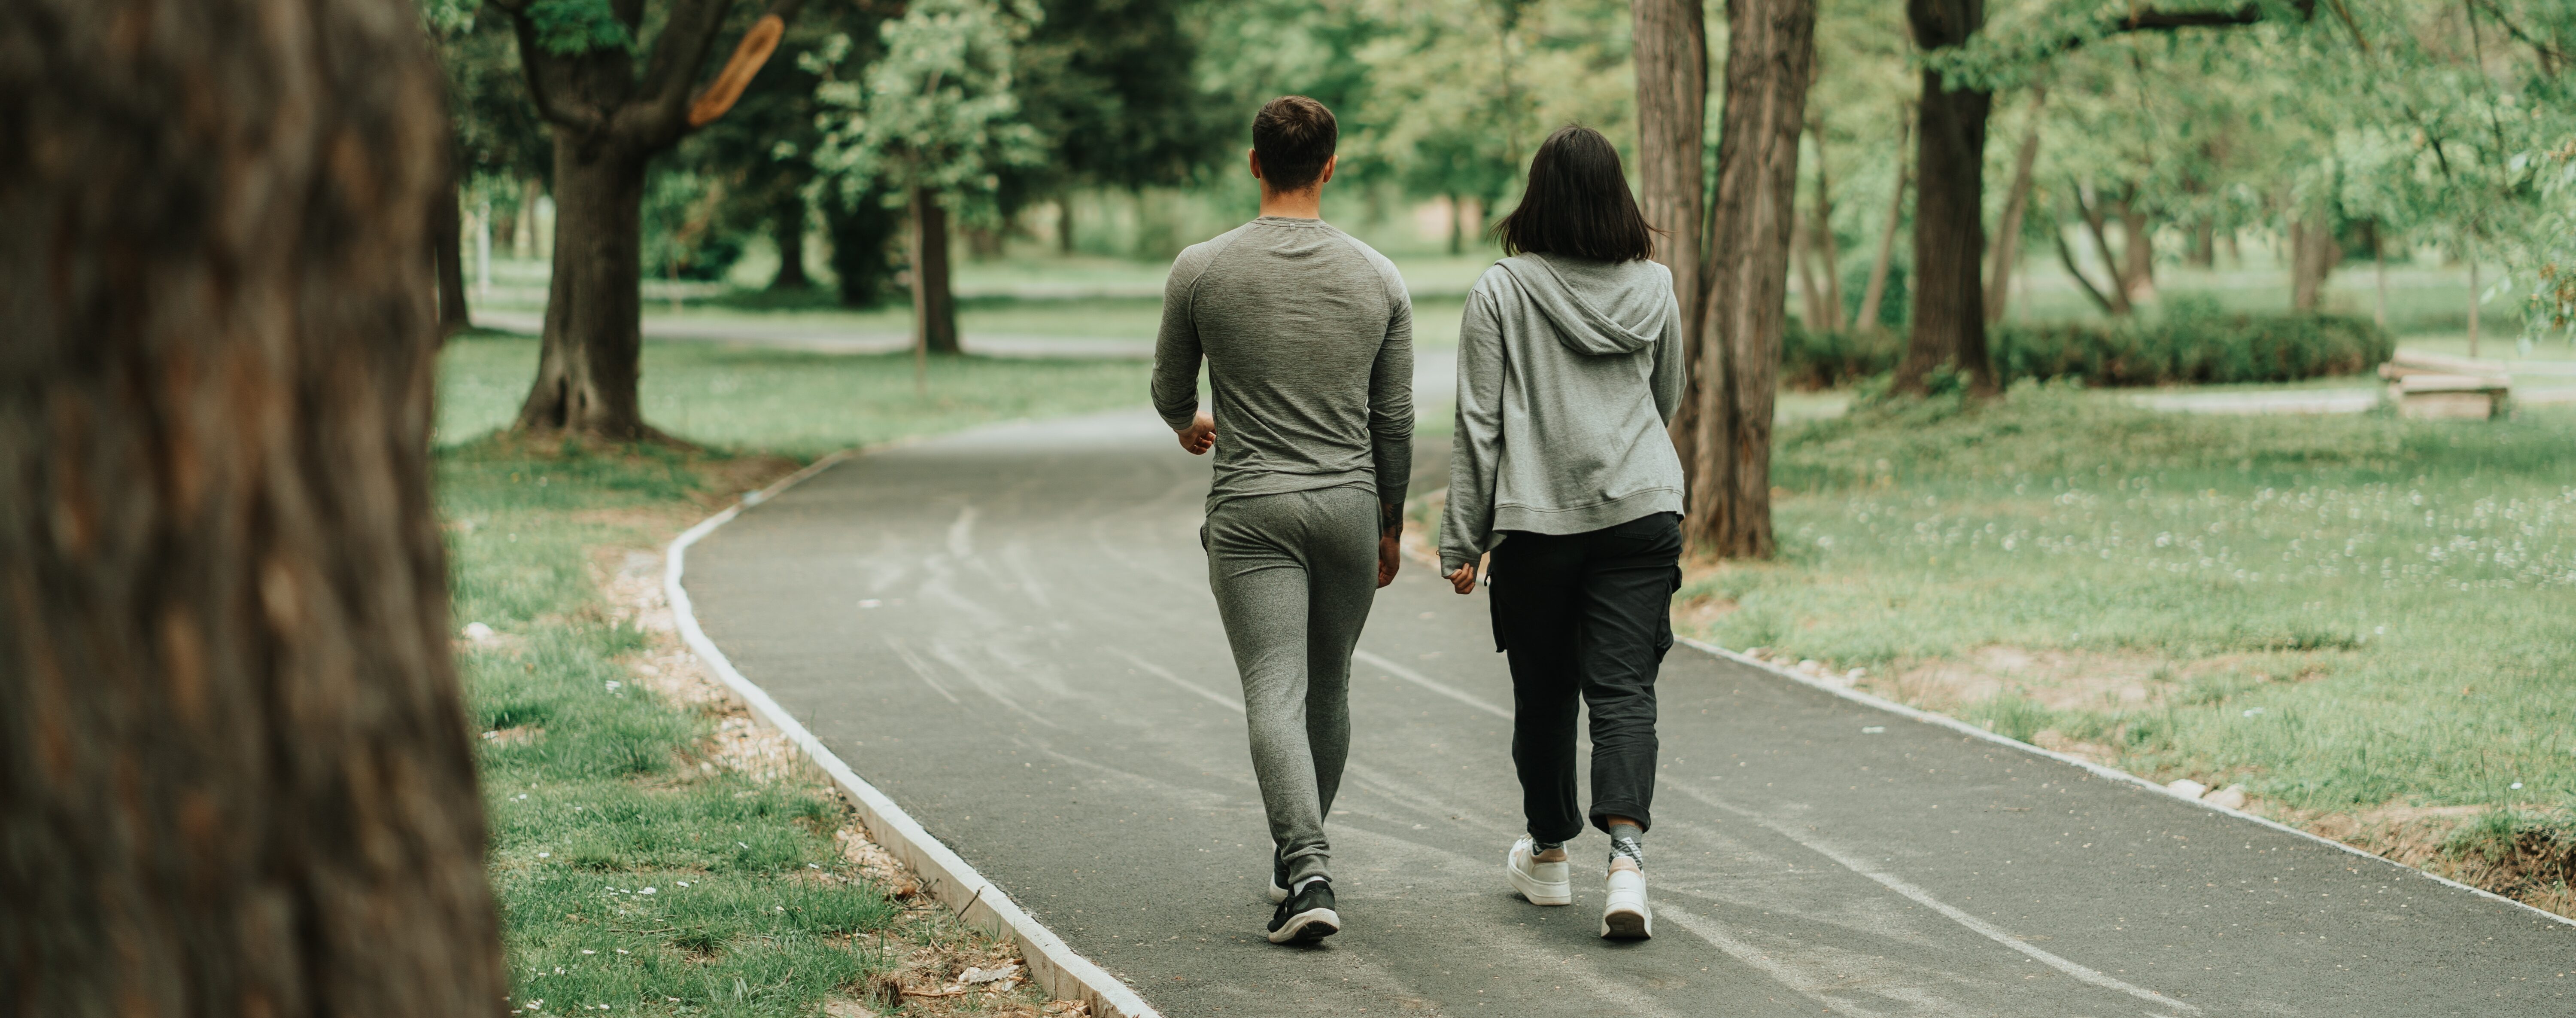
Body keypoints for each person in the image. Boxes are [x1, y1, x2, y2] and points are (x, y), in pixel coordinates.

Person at [1150, 95, 1415, 945]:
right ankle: (1302, 860)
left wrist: (1191, 424)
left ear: (1256, 163)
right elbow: (1395, 421)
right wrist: (1389, 521)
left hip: (1252, 509)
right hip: (1346, 504)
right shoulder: (1380, 277)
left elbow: (1169, 390)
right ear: (1330, 167)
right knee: (1328, 683)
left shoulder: (1201, 268)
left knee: (1275, 685)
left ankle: (1305, 867)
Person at [1438, 124, 1686, 940]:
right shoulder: (1657, 286)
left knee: (1545, 695)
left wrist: (1461, 539)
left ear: (1537, 197)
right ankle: (1626, 865)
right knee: (1624, 691)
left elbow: (1479, 423)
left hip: (1537, 522)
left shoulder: (1502, 290)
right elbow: (1667, 395)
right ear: (1620, 198)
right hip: (1642, 510)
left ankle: (1548, 856)